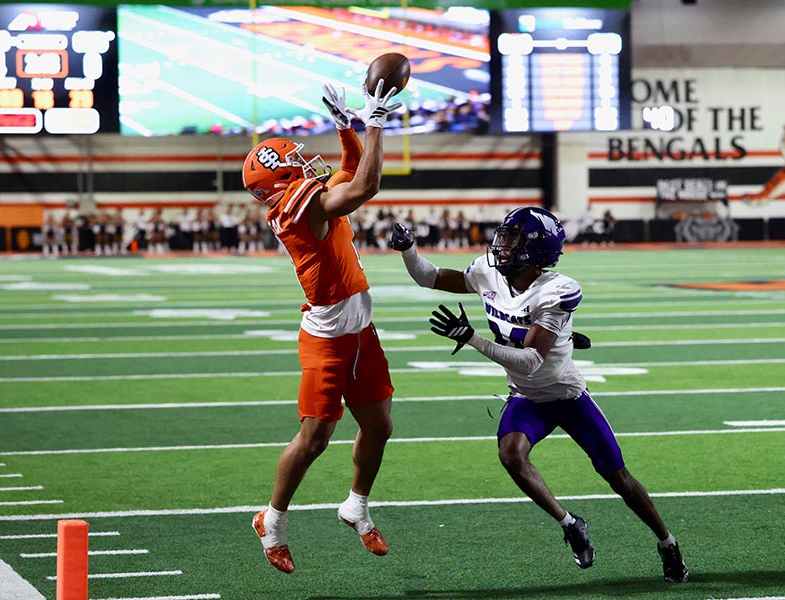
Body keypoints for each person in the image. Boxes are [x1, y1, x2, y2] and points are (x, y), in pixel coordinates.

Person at [387, 206, 689, 583]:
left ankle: (666, 541)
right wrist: (408, 249)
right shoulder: (488, 273)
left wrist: (472, 338)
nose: (502, 245)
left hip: (566, 397)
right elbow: (430, 277)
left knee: (617, 476)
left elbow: (530, 360)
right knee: (511, 454)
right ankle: (570, 524)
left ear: (536, 249)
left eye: (512, 239)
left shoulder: (555, 291)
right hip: (526, 397)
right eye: (505, 236)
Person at [242, 80, 402, 575]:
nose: (310, 165)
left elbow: (350, 171)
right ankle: (271, 521)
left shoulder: (305, 195)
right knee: (315, 438)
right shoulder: (295, 209)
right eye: (298, 163)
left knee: (379, 426)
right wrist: (375, 121)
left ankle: (356, 505)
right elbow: (365, 185)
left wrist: (345, 126)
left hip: (360, 332)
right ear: (282, 181)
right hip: (330, 339)